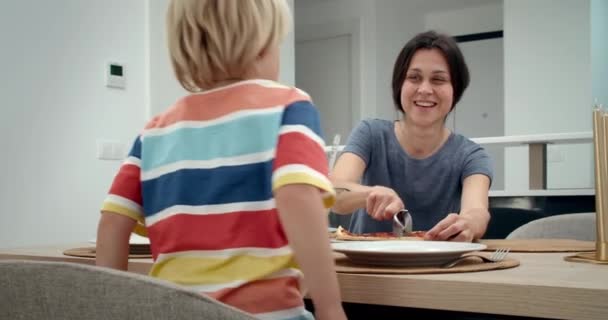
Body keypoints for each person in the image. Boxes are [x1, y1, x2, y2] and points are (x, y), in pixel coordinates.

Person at [95, 1, 346, 319]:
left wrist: (111, 309)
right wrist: (330, 307)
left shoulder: (154, 132)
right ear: (263, 42)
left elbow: (112, 222)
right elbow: (297, 195)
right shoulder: (289, 107)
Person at [330, 30, 493, 242]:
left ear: (455, 89)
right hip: (369, 267)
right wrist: (370, 194)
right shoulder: (370, 133)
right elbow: (333, 192)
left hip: (438, 269)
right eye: (414, 78)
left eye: (438, 80)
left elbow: (478, 212)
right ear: (400, 85)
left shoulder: (471, 155)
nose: (424, 89)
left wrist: (469, 223)